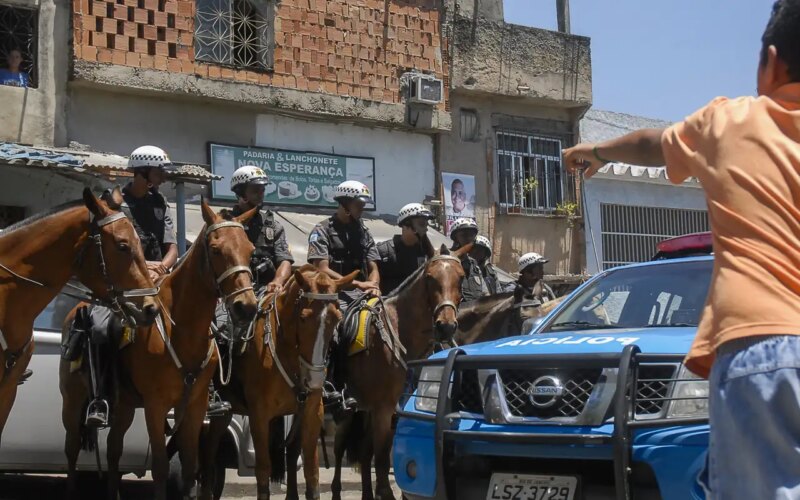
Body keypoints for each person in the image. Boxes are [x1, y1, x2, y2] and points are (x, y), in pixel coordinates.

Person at [562, 2, 800, 496]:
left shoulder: (731, 122)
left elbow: (655, 144)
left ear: (771, 63)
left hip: (763, 344)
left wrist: (597, 150)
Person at [80, 145, 179, 427]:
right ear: (143, 172)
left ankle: (192, 393)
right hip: (121, 286)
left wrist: (164, 265)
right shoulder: (112, 203)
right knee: (100, 327)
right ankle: (100, 398)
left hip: (158, 280)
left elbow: (171, 245)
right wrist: (142, 266)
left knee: (201, 323)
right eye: (159, 171)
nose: (163, 177)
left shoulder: (160, 203)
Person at [209, 165, 295, 416]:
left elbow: (285, 260)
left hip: (265, 290)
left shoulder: (272, 224)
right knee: (221, 331)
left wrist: (278, 280)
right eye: (255, 188)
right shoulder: (223, 221)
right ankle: (216, 390)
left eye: (262, 188)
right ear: (241, 192)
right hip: (231, 293)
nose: (260, 192)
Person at [307, 180, 381, 413]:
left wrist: (375, 284)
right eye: (359, 204)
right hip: (334, 293)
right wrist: (355, 282)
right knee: (336, 330)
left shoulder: (364, 231)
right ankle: (334, 384)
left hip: (363, 292)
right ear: (345, 204)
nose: (362, 208)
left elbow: (374, 265)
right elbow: (321, 267)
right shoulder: (322, 230)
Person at [376, 202, 435, 295]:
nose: (426, 229)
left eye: (426, 225)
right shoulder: (383, 251)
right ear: (406, 225)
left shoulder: (424, 253)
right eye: (421, 224)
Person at [449, 217, 488, 302]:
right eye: (464, 235)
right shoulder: (446, 261)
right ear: (455, 238)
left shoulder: (474, 265)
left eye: (472, 235)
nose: (469, 239)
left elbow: (485, 294)